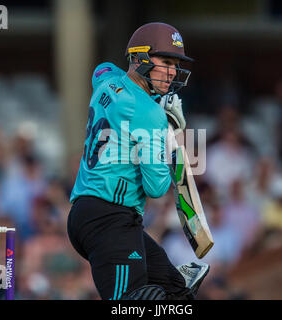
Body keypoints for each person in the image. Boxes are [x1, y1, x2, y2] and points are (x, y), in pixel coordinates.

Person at [67, 22, 209, 300]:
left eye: (176, 64)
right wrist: (170, 138)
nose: (172, 72)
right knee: (133, 303)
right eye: (165, 62)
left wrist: (154, 107)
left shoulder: (106, 80)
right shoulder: (149, 115)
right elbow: (156, 188)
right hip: (109, 219)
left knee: (177, 293)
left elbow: (102, 69)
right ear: (139, 57)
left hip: (93, 215)